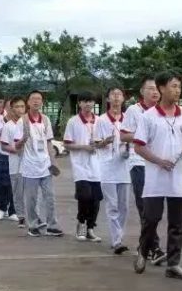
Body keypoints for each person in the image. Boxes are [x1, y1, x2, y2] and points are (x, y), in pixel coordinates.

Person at [132, 72, 182, 279]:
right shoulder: (148, 116)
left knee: (177, 222)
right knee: (151, 218)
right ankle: (143, 250)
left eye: (179, 86)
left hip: (179, 177)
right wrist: (159, 161)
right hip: (155, 178)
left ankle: (174, 264)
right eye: (173, 86)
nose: (177, 90)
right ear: (161, 88)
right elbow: (139, 147)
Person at [121, 77, 166, 265]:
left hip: (157, 163)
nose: (155, 92)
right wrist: (143, 136)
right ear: (142, 91)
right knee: (144, 206)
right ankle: (154, 247)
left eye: (157, 89)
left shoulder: (162, 111)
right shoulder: (134, 110)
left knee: (155, 208)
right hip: (138, 162)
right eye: (150, 88)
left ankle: (144, 246)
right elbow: (123, 135)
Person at [19, 91, 64, 237]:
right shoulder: (22, 121)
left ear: (42, 102)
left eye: (39, 99)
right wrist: (22, 140)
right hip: (30, 166)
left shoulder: (45, 120)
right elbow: (15, 147)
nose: (36, 101)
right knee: (31, 199)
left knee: (50, 196)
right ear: (28, 102)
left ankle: (52, 225)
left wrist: (53, 162)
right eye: (33, 99)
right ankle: (33, 225)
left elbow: (49, 142)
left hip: (45, 165)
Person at [64, 92, 105, 242]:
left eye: (91, 101)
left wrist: (101, 144)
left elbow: (104, 142)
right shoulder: (73, 122)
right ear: (79, 103)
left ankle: (90, 228)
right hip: (80, 165)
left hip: (97, 165)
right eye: (85, 101)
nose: (88, 104)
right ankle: (81, 223)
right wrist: (84, 147)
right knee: (84, 196)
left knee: (96, 199)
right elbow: (67, 144)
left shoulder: (100, 120)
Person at [95, 86, 131, 255]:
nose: (116, 98)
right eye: (113, 95)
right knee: (113, 205)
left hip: (124, 166)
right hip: (108, 167)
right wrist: (105, 141)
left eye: (119, 94)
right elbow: (95, 143)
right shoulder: (101, 120)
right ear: (108, 99)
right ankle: (116, 240)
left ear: (123, 98)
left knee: (124, 206)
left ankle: (119, 236)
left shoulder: (128, 119)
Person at [0, 96, 26, 225]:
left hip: (29, 163)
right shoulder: (7, 126)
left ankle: (19, 213)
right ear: (10, 109)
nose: (20, 109)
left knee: (26, 190)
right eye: (16, 107)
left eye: (22, 106)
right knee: (10, 187)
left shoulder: (28, 123)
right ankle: (8, 210)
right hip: (12, 161)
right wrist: (16, 150)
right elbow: (4, 145)